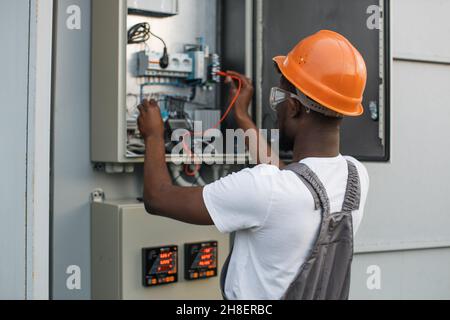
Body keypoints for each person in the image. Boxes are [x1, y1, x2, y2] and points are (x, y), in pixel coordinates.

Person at [137, 30, 370, 300]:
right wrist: (242, 117)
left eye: (279, 99)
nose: (276, 108)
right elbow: (295, 183)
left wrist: (153, 136)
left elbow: (157, 198)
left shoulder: (266, 188)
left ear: (294, 108)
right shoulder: (356, 176)